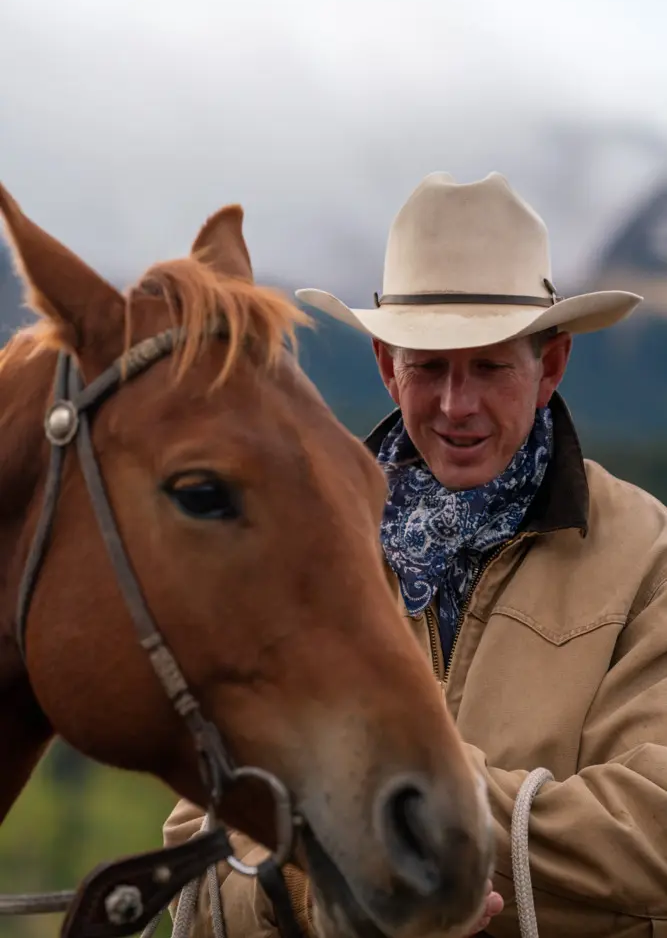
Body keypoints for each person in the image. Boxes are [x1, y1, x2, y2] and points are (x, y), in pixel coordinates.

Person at [163, 172, 667, 937]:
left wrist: (423, 806)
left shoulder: (648, 555)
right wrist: (328, 900)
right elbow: (198, 852)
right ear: (383, 367)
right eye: (427, 367)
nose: (455, 405)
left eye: (491, 366)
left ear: (550, 368)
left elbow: (653, 830)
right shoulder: (294, 556)